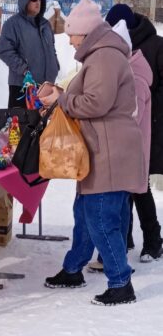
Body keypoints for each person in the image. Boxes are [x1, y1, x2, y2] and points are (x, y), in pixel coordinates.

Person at [39, 0, 146, 305]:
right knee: (85, 213)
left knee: (100, 218)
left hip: (109, 151)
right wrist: (62, 94)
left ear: (85, 33)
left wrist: (62, 100)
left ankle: (120, 282)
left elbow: (95, 104)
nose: (68, 39)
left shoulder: (104, 58)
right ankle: (73, 269)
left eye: (71, 33)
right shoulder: (100, 56)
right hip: (103, 148)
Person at [87, 19, 153, 272]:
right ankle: (123, 250)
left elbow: (130, 117)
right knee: (124, 204)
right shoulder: (133, 73)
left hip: (127, 152)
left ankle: (118, 263)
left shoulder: (134, 79)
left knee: (114, 210)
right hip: (132, 150)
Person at [105, 4, 163, 262]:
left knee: (140, 186)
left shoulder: (156, 45)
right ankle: (125, 237)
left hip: (151, 124)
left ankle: (153, 241)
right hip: (127, 124)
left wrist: (146, 99)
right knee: (125, 184)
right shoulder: (118, 49)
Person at [0, 0, 60, 108]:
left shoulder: (45, 24)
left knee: (42, 124)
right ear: (24, 2)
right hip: (23, 86)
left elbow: (52, 49)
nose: (38, 2)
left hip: (46, 86)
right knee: (21, 123)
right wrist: (24, 70)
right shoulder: (13, 24)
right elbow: (4, 51)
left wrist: (55, 67)